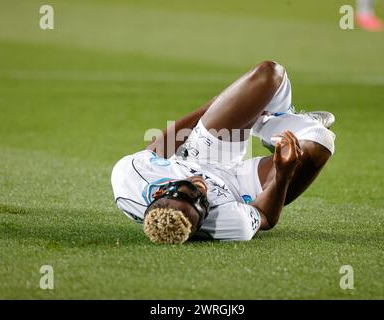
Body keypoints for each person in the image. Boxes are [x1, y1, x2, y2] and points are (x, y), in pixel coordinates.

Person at [111, 61, 336, 244]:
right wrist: (282, 174)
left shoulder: (128, 177)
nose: (201, 189)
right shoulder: (226, 223)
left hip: (199, 156)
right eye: (202, 203)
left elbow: (159, 147)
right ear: (199, 224)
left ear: (161, 192)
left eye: (189, 190)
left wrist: (214, 107)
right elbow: (265, 215)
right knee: (320, 144)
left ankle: (269, 121)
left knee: (269, 73)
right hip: (239, 189)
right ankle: (290, 126)